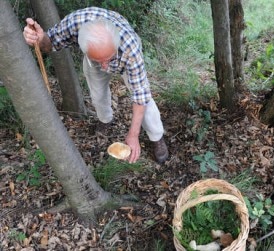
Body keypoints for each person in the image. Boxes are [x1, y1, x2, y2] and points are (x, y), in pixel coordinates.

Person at [23, 7, 169, 164]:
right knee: (97, 93)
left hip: (124, 58)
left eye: (108, 59)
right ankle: (105, 119)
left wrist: (133, 135)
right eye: (101, 61)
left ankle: (156, 137)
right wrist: (39, 38)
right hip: (94, 59)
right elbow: (48, 44)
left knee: (146, 102)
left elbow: (141, 96)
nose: (105, 67)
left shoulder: (130, 49)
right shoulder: (75, 24)